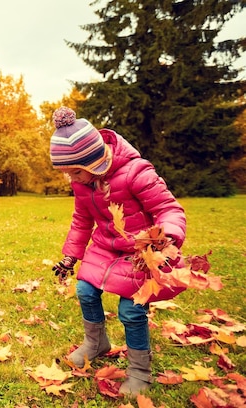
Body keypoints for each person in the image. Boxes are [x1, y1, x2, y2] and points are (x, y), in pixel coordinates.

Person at [49, 106, 186, 395]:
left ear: (94, 161)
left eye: (75, 172)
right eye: (66, 173)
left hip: (139, 251)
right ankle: (96, 342)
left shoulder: (136, 172)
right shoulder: (82, 185)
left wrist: (168, 237)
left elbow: (167, 208)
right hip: (106, 246)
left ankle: (139, 369)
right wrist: (70, 255)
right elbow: (82, 221)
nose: (71, 179)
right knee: (85, 290)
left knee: (131, 309)